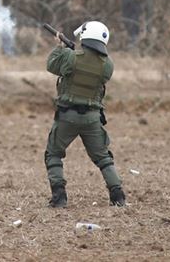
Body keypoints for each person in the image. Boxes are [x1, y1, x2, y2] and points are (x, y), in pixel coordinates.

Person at [43, 21, 126, 208]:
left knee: (53, 154)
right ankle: (118, 195)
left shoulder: (70, 57)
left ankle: (59, 197)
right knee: (103, 158)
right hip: (92, 118)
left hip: (67, 116)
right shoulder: (108, 65)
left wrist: (59, 47)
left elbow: (51, 65)